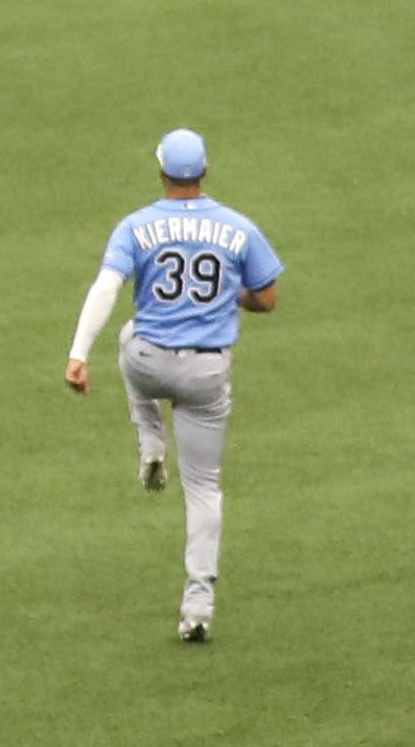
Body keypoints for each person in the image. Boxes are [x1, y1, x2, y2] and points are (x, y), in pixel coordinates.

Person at [64, 127, 282, 644]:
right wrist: (232, 298)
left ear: (160, 172)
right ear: (205, 171)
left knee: (127, 339)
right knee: (204, 488)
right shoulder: (237, 227)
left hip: (148, 361)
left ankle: (150, 438)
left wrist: (76, 354)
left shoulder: (136, 226)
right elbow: (268, 298)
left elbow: (106, 288)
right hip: (207, 375)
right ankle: (198, 606)